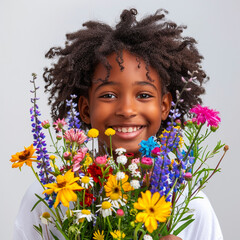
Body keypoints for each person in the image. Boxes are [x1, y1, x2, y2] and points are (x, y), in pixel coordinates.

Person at [13, 8, 223, 240]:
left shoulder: (191, 205)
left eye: (143, 95)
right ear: (84, 109)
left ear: (165, 107)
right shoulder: (48, 200)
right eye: (109, 95)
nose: (126, 110)